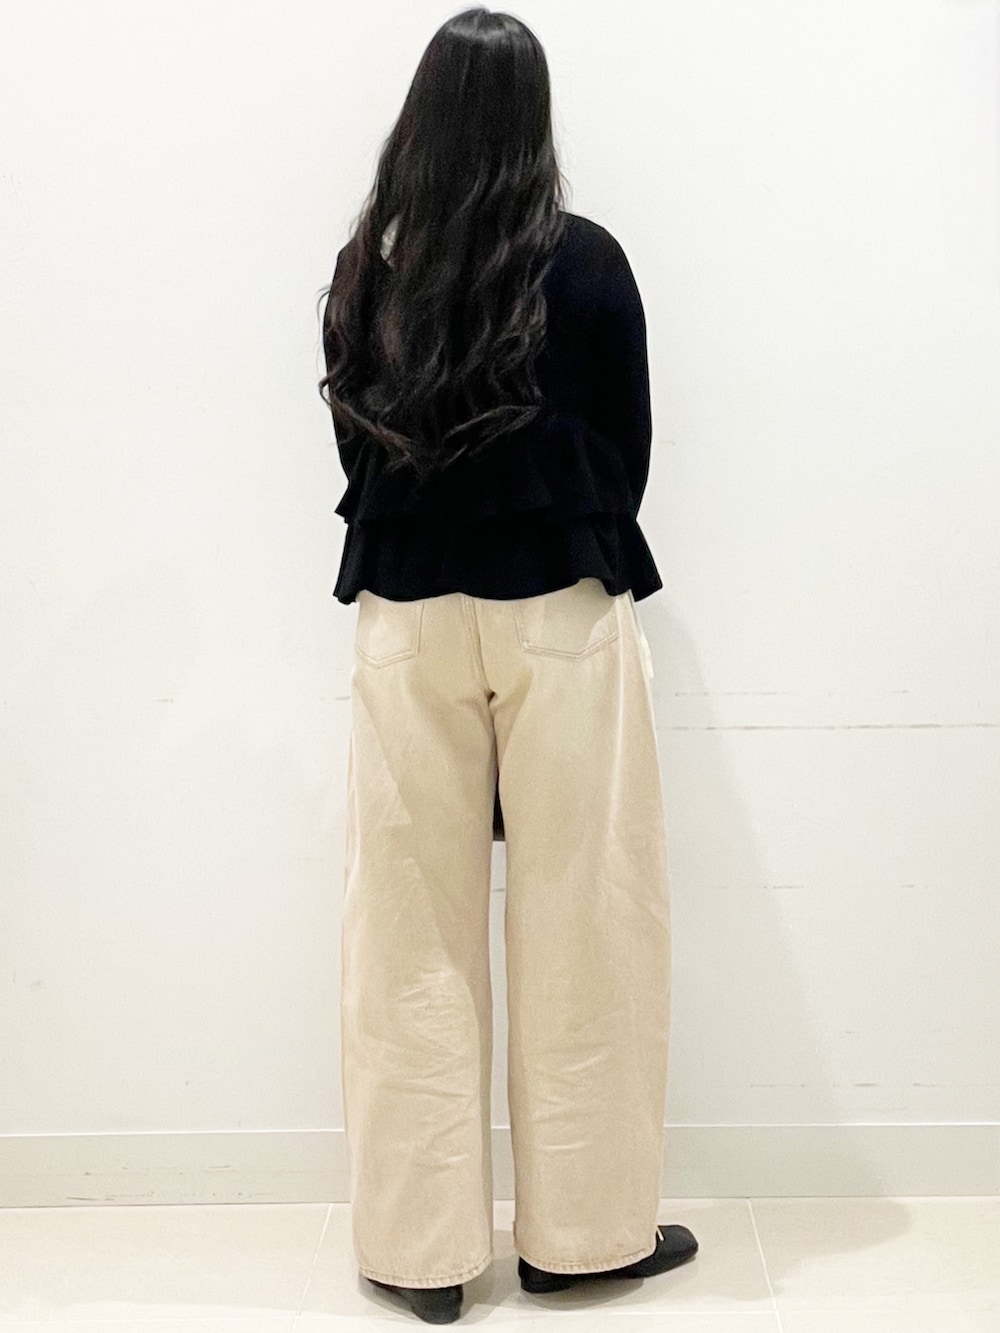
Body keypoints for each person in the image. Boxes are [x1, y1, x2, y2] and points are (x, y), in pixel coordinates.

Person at [317, 7, 697, 1324]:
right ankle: (581, 1236)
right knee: (588, 912)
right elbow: (628, 444)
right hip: (560, 605)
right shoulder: (585, 264)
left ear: (419, 119)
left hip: (407, 614)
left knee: (403, 926)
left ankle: (421, 1250)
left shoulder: (370, 267)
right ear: (533, 118)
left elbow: (353, 446)